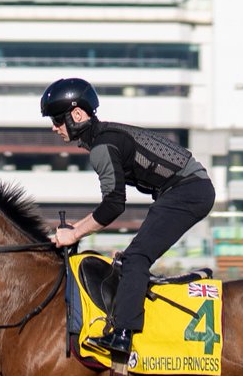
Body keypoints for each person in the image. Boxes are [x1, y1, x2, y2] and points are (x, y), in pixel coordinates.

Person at [40, 77, 215, 358]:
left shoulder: (101, 147)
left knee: (135, 259)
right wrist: (77, 228)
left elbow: (113, 206)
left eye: (57, 120)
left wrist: (74, 233)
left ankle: (123, 336)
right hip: (186, 189)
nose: (54, 127)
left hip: (188, 191)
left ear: (77, 114)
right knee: (129, 259)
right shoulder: (104, 138)